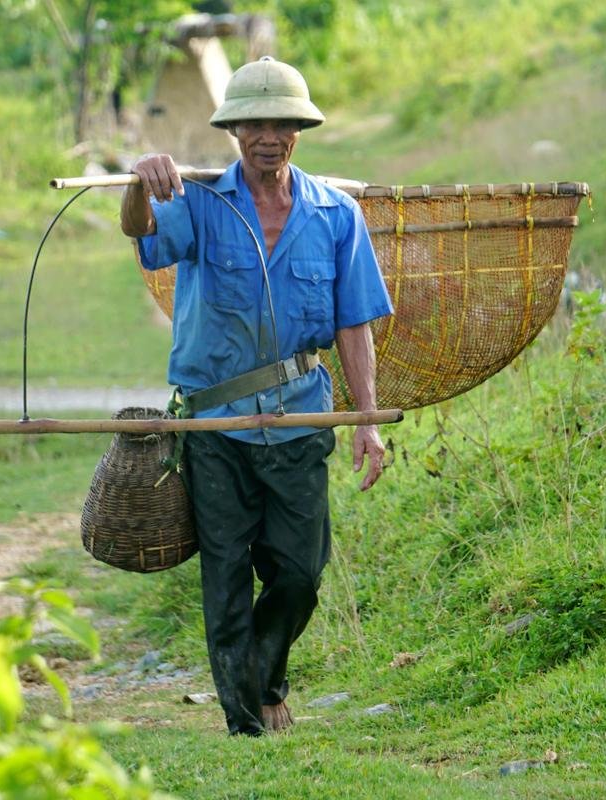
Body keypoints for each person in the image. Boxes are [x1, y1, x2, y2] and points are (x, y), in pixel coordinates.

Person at [119, 57, 393, 736]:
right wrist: (138, 184)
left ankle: (263, 680)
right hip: (215, 426)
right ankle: (247, 722)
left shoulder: (337, 215)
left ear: (299, 131)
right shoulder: (202, 205)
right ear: (235, 130)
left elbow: (356, 323)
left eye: (282, 124)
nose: (268, 136)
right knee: (227, 580)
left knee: (300, 573)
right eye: (254, 124)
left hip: (301, 416)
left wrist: (366, 421)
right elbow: (142, 237)